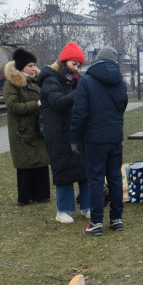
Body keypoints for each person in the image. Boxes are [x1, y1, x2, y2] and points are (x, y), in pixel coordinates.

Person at [70, 46, 128, 236]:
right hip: (114, 137)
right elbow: (122, 106)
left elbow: (79, 113)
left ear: (97, 60)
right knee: (115, 178)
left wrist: (75, 138)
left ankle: (96, 222)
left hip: (94, 139)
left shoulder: (86, 81)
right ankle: (116, 219)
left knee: (95, 180)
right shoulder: (120, 82)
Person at [38, 41, 90, 224]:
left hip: (76, 130)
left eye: (79, 65)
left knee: (84, 170)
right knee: (64, 172)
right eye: (74, 64)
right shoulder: (50, 80)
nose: (76, 69)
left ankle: (87, 206)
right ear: (65, 61)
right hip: (57, 133)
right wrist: (79, 94)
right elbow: (57, 102)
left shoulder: (77, 81)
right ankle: (63, 210)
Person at [3, 48, 50, 205]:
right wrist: (36, 104)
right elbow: (13, 107)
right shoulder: (12, 84)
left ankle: (42, 194)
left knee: (41, 162)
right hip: (21, 131)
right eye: (29, 65)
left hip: (38, 128)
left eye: (34, 65)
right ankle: (25, 197)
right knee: (25, 165)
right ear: (21, 67)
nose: (32, 68)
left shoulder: (36, 82)